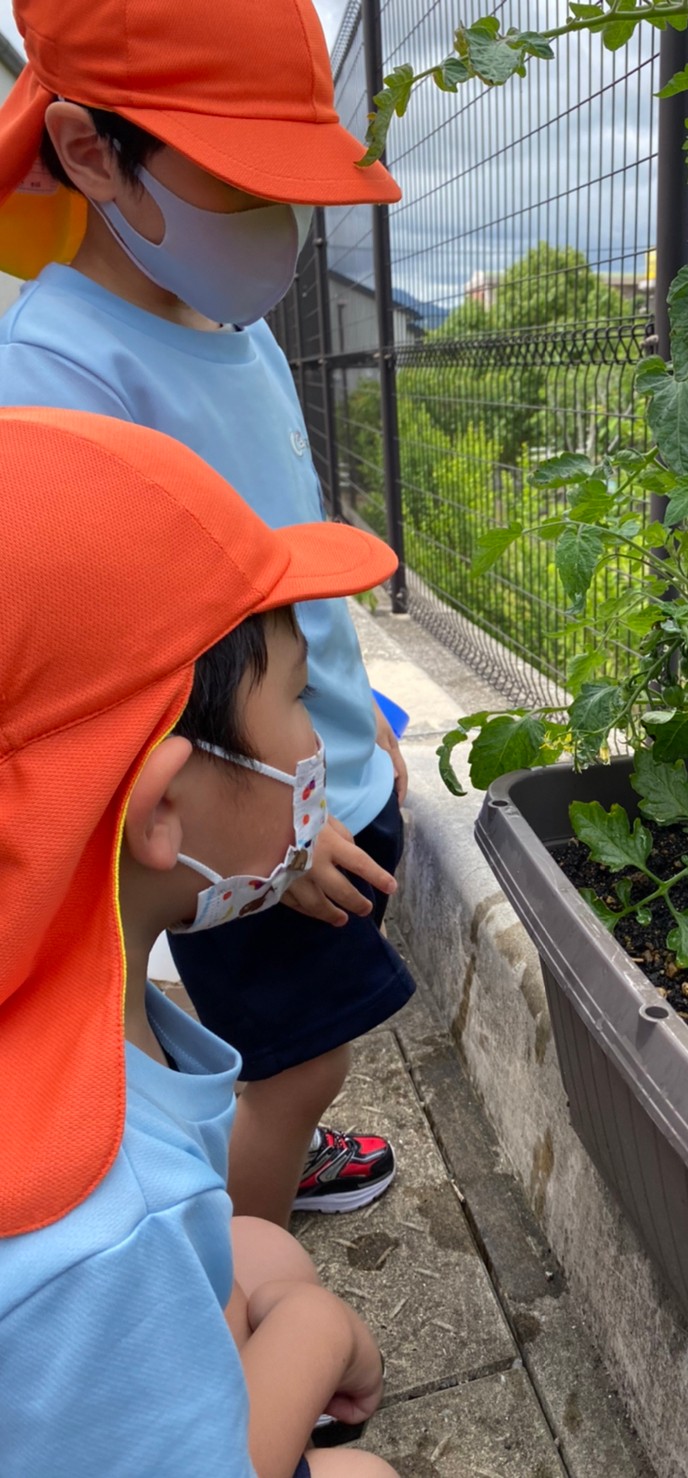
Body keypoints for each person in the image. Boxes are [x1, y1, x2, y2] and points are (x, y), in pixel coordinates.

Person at [0, 0, 417, 1227]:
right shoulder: (58, 374)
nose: (277, 221)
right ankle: (240, 1268)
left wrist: (357, 709)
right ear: (89, 152)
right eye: (239, 178)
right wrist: (278, 831)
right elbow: (116, 657)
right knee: (299, 1063)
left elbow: (284, 553)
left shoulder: (241, 328)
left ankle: (267, 1149)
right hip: (248, 818)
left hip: (312, 769)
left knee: (288, 1043)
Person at [0, 405, 402, 1477]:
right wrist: (315, 1335)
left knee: (256, 1244)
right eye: (298, 699)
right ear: (163, 808)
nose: (317, 744)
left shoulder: (64, 1008)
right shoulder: (102, 1217)